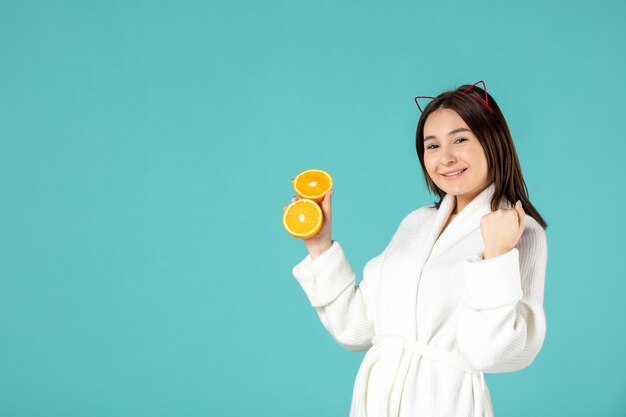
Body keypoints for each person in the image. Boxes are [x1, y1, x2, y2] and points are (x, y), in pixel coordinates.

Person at [284, 80, 548, 417]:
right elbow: (357, 328)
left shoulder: (520, 231)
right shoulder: (417, 223)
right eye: (432, 146)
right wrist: (319, 245)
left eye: (460, 139)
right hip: (375, 402)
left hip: (444, 404)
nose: (446, 157)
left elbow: (493, 354)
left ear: (493, 141)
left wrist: (496, 256)